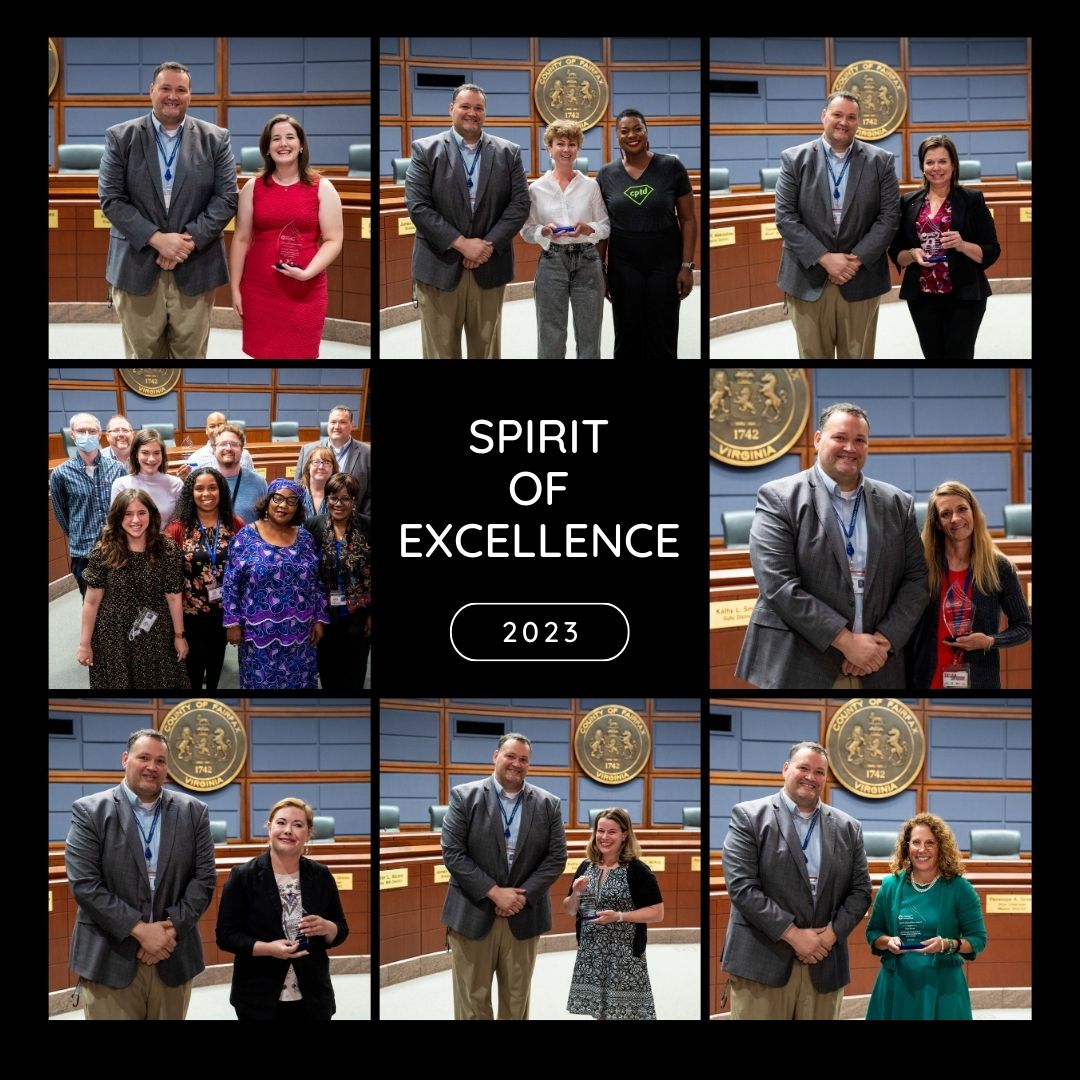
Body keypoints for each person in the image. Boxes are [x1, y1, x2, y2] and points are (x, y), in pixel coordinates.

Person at [735, 402, 928, 689]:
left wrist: (882, 642)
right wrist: (847, 642)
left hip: (879, 666)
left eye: (859, 440)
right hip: (804, 666)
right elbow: (778, 584)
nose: (850, 447)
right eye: (840, 437)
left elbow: (916, 579)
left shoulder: (898, 503)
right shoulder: (779, 497)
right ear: (817, 440)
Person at [64, 728, 216, 1019]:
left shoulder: (194, 811)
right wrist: (142, 931)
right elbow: (85, 885)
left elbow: (204, 879)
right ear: (125, 759)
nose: (152, 767)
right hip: (110, 958)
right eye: (143, 757)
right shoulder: (89, 811)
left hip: (172, 954)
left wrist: (168, 930)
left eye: (160, 761)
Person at [721, 741, 872, 1020]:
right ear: (786, 769)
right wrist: (794, 935)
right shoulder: (749, 816)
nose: (811, 777)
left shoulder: (848, 827)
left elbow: (861, 891)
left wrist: (827, 938)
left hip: (824, 963)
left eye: (819, 772)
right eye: (804, 768)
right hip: (763, 962)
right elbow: (742, 888)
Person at [98, 60, 237, 359]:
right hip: (137, 266)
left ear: (190, 95)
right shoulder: (121, 138)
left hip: (196, 265)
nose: (172, 96)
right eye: (165, 88)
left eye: (180, 89)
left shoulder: (216, 139)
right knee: (143, 359)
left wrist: (184, 242)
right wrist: (158, 239)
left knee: (192, 356)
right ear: (152, 91)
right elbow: (111, 198)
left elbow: (226, 198)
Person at [441, 732, 567, 1019]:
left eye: (524, 759)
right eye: (510, 756)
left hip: (523, 916)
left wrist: (519, 897)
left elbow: (556, 857)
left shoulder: (548, 804)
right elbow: (453, 853)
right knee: (472, 1003)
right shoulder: (464, 796)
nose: (517, 763)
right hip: (473, 913)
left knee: (516, 1001)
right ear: (495, 756)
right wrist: (494, 892)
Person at [405, 83, 530, 358]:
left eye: (478, 108)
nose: (472, 113)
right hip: (439, 266)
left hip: (489, 264)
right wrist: (462, 244)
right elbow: (418, 206)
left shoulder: (509, 152)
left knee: (486, 351)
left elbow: (520, 205)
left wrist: (485, 246)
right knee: (440, 352)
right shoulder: (426, 150)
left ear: (485, 113)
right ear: (451, 109)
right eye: (465, 106)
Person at [775, 92, 900, 359]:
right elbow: (785, 217)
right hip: (808, 279)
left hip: (861, 278)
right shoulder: (793, 159)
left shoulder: (882, 161)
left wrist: (853, 261)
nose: (844, 122)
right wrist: (824, 258)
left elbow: (889, 217)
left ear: (858, 122)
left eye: (851, 117)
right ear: (824, 116)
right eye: (837, 114)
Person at [216, 797, 349, 1020]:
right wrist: (267, 948)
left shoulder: (321, 875)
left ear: (308, 833)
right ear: (269, 828)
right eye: (281, 823)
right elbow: (226, 936)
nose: (288, 830)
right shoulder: (243, 876)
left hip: (313, 994)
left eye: (298, 825)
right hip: (258, 994)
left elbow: (341, 929)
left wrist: (328, 928)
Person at [230, 114, 344, 359]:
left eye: (290, 137)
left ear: (301, 145)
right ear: (267, 148)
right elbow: (241, 239)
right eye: (276, 139)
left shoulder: (322, 187)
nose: (283, 143)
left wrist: (307, 273)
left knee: (301, 354)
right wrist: (235, 289)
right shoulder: (252, 187)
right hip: (259, 289)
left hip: (305, 290)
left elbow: (334, 240)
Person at [909, 480, 1031, 688]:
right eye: (945, 514)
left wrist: (990, 641)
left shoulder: (999, 567)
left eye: (962, 509)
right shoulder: (921, 566)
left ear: (973, 513)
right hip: (925, 679)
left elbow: (1024, 627)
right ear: (937, 523)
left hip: (980, 681)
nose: (955, 519)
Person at [865, 813, 987, 1020]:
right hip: (896, 984)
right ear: (907, 847)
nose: (922, 850)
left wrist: (947, 944)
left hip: (943, 989)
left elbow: (978, 940)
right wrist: (887, 942)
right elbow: (873, 933)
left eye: (930, 843)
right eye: (916, 842)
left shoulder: (960, 888)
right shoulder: (890, 886)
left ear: (941, 848)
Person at [889, 135, 1001, 359]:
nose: (936, 168)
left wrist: (962, 244)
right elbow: (896, 253)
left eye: (942, 161)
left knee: (959, 355)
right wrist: (911, 254)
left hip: (965, 295)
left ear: (953, 165)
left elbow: (991, 249)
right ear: (922, 166)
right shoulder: (908, 202)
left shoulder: (972, 200)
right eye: (930, 162)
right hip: (922, 298)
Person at [597, 109, 696, 360]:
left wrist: (686, 265)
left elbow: (688, 219)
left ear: (647, 132)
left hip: (665, 262)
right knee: (627, 335)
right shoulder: (606, 175)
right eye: (624, 130)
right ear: (616, 136)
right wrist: (600, 270)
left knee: (662, 335)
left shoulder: (671, 167)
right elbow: (602, 227)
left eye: (637, 129)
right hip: (624, 263)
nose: (632, 135)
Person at [77, 489, 190, 688]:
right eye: (127, 514)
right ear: (117, 517)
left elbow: (173, 597)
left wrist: (179, 636)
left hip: (157, 632)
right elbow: (91, 601)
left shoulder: (167, 549)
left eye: (141, 513)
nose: (135, 520)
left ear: (151, 514)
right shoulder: (104, 550)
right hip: (113, 635)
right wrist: (84, 644)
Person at [222, 478, 329, 689]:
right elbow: (231, 582)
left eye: (291, 501)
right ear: (268, 500)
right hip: (258, 634)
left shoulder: (306, 538)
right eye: (277, 498)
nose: (283, 505)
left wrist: (319, 619)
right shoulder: (246, 536)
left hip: (300, 631)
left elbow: (316, 582)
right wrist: (232, 623)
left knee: (299, 683)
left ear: (298, 507)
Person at [520, 120, 609, 358]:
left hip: (588, 262)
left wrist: (587, 229)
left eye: (572, 144)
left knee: (589, 335)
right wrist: (544, 231)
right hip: (552, 261)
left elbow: (605, 226)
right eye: (560, 144)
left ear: (578, 148)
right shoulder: (536, 189)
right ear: (549, 147)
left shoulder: (591, 186)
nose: (566, 149)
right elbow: (526, 230)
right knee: (550, 335)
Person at [564, 807, 664, 1020]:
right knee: (599, 1012)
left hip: (624, 955)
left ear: (624, 835)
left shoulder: (637, 870)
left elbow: (657, 913)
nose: (604, 837)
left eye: (612, 832)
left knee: (624, 1014)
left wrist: (619, 916)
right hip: (591, 953)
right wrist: (576, 893)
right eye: (600, 831)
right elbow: (570, 909)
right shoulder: (585, 866)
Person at [163, 467, 245, 690]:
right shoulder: (178, 528)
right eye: (199, 488)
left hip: (224, 614)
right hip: (190, 615)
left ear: (221, 491)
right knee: (192, 670)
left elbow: (244, 572)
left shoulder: (235, 524)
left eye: (212, 488)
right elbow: (167, 576)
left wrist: (237, 618)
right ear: (191, 492)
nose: (206, 493)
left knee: (216, 666)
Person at [50, 412, 128, 598]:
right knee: (92, 606)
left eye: (91, 430)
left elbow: (124, 508)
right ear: (72, 435)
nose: (87, 435)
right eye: (81, 430)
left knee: (122, 604)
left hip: (117, 549)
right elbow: (62, 515)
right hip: (84, 553)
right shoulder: (60, 474)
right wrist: (81, 535)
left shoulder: (117, 468)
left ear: (100, 433)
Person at [305, 473, 371, 691]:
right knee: (329, 674)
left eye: (345, 498)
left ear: (354, 500)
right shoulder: (313, 526)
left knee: (354, 675)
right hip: (325, 618)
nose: (338, 504)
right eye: (333, 498)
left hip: (358, 618)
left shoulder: (367, 527)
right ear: (326, 499)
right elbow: (308, 575)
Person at [295, 406, 370, 519]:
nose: (337, 426)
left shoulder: (367, 453)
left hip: (353, 525)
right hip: (308, 523)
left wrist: (362, 522)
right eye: (333, 422)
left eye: (343, 422)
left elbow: (369, 495)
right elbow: (297, 486)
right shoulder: (307, 450)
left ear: (352, 425)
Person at [111, 427, 184, 525]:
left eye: (156, 453)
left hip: (167, 539)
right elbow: (115, 524)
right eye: (145, 453)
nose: (151, 459)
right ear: (136, 454)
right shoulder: (120, 484)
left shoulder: (176, 483)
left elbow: (181, 523)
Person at [211, 423, 267, 524]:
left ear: (242, 449)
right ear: (214, 449)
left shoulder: (259, 482)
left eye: (234, 444)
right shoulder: (204, 481)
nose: (228, 448)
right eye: (223, 444)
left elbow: (266, 521)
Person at [180, 412, 254, 474]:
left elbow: (252, 480)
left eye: (220, 425)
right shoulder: (195, 459)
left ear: (226, 427)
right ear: (206, 430)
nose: (216, 429)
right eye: (212, 426)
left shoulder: (244, 455)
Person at [299, 445, 338, 519]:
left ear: (333, 468)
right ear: (308, 466)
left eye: (326, 462)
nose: (321, 467)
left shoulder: (339, 496)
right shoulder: (297, 494)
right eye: (316, 462)